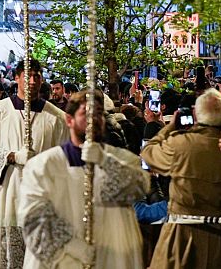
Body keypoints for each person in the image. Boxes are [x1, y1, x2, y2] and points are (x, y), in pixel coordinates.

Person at [19, 91, 149, 268]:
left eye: (98, 114)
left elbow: (137, 189)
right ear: (69, 120)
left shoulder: (122, 160)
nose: (93, 119)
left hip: (111, 256)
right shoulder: (43, 166)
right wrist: (74, 248)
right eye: (85, 114)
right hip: (65, 259)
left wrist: (105, 161)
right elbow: (34, 217)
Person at [0, 59, 68, 269]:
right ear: (17, 78)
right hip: (7, 197)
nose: (32, 81)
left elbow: (65, 159)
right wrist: (12, 156)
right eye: (27, 75)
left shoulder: (57, 118)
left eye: (37, 76)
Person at [141, 88, 221, 269]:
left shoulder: (182, 144)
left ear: (195, 113)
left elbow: (148, 154)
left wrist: (168, 128)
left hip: (181, 237)